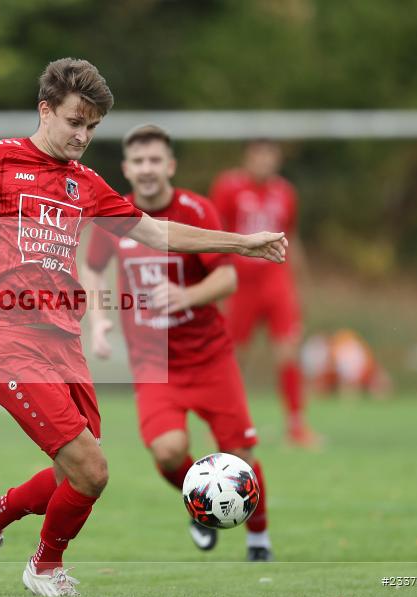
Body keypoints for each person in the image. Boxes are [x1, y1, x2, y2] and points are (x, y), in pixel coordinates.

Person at [0, 58, 286, 597]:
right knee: (92, 469)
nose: (83, 135)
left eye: (92, 127)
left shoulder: (85, 183)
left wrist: (241, 243)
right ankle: (43, 568)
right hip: (10, 339)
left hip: (65, 342)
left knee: (74, 474)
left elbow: (155, 232)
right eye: (74, 122)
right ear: (46, 110)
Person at [82, 124, 273, 562]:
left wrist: (186, 295)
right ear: (127, 168)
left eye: (155, 160)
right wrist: (99, 320)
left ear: (169, 165)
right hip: (154, 363)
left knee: (241, 454)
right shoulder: (118, 214)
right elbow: (93, 268)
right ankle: (201, 499)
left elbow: (227, 276)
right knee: (168, 452)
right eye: (139, 161)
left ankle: (259, 538)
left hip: (209, 357)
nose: (147, 169)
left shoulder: (195, 209)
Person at [210, 140, 320, 447]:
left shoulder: (285, 193)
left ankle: (297, 426)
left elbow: (292, 238)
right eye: (259, 157)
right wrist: (216, 280)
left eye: (271, 158)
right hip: (241, 284)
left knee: (288, 350)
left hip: (276, 281)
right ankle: (224, 423)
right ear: (248, 158)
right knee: (235, 357)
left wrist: (300, 284)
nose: (265, 163)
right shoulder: (229, 187)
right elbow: (215, 233)